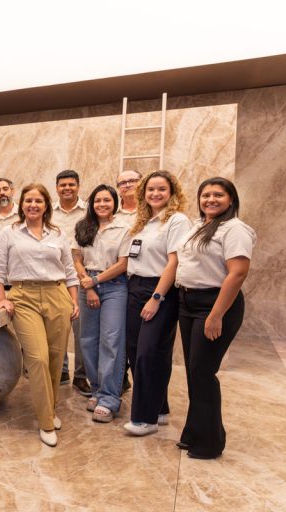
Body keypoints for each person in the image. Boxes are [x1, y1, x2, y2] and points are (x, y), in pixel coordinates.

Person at [0, 183, 79, 448]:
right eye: (28, 200)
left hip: (58, 296)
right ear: (22, 205)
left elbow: (70, 271)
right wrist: (2, 298)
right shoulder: (9, 233)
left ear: (46, 205)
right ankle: (46, 422)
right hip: (24, 297)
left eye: (38, 201)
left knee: (56, 358)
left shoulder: (58, 233)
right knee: (38, 358)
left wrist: (74, 301)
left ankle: (50, 408)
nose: (33, 205)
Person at [176, 177, 255, 459]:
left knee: (203, 372)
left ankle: (209, 443)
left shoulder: (235, 229)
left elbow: (238, 273)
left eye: (218, 195)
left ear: (231, 199)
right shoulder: (200, 225)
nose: (211, 199)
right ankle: (194, 432)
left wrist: (216, 315)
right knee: (194, 371)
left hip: (214, 305)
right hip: (188, 302)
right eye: (205, 195)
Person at [123, 170, 191, 436]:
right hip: (135, 287)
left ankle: (144, 419)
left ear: (172, 192)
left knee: (149, 353)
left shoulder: (177, 220)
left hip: (160, 290)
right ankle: (159, 408)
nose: (155, 194)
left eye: (161, 189)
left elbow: (174, 262)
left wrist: (156, 298)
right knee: (134, 350)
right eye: (150, 189)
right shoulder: (143, 221)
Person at [72, 185, 130, 423]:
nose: (102, 204)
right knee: (88, 340)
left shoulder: (124, 228)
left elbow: (123, 263)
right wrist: (88, 285)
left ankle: (109, 398)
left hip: (114, 286)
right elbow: (76, 258)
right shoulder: (82, 226)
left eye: (107, 200)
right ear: (91, 203)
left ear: (114, 202)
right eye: (98, 200)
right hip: (86, 285)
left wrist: (95, 282)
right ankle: (97, 390)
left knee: (111, 341)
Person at [51, 169, 91, 396]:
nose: (67, 188)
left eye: (71, 184)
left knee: (81, 330)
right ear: (57, 188)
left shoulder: (89, 211)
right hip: (54, 277)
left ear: (78, 186)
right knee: (58, 329)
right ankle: (62, 370)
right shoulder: (49, 211)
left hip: (82, 276)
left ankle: (81, 375)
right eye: (63, 185)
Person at [115, 170, 142, 394]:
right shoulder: (113, 213)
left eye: (132, 181)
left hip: (141, 280)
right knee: (117, 332)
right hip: (115, 279)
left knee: (138, 336)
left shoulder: (150, 212)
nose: (127, 185)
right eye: (122, 183)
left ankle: (143, 381)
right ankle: (119, 377)